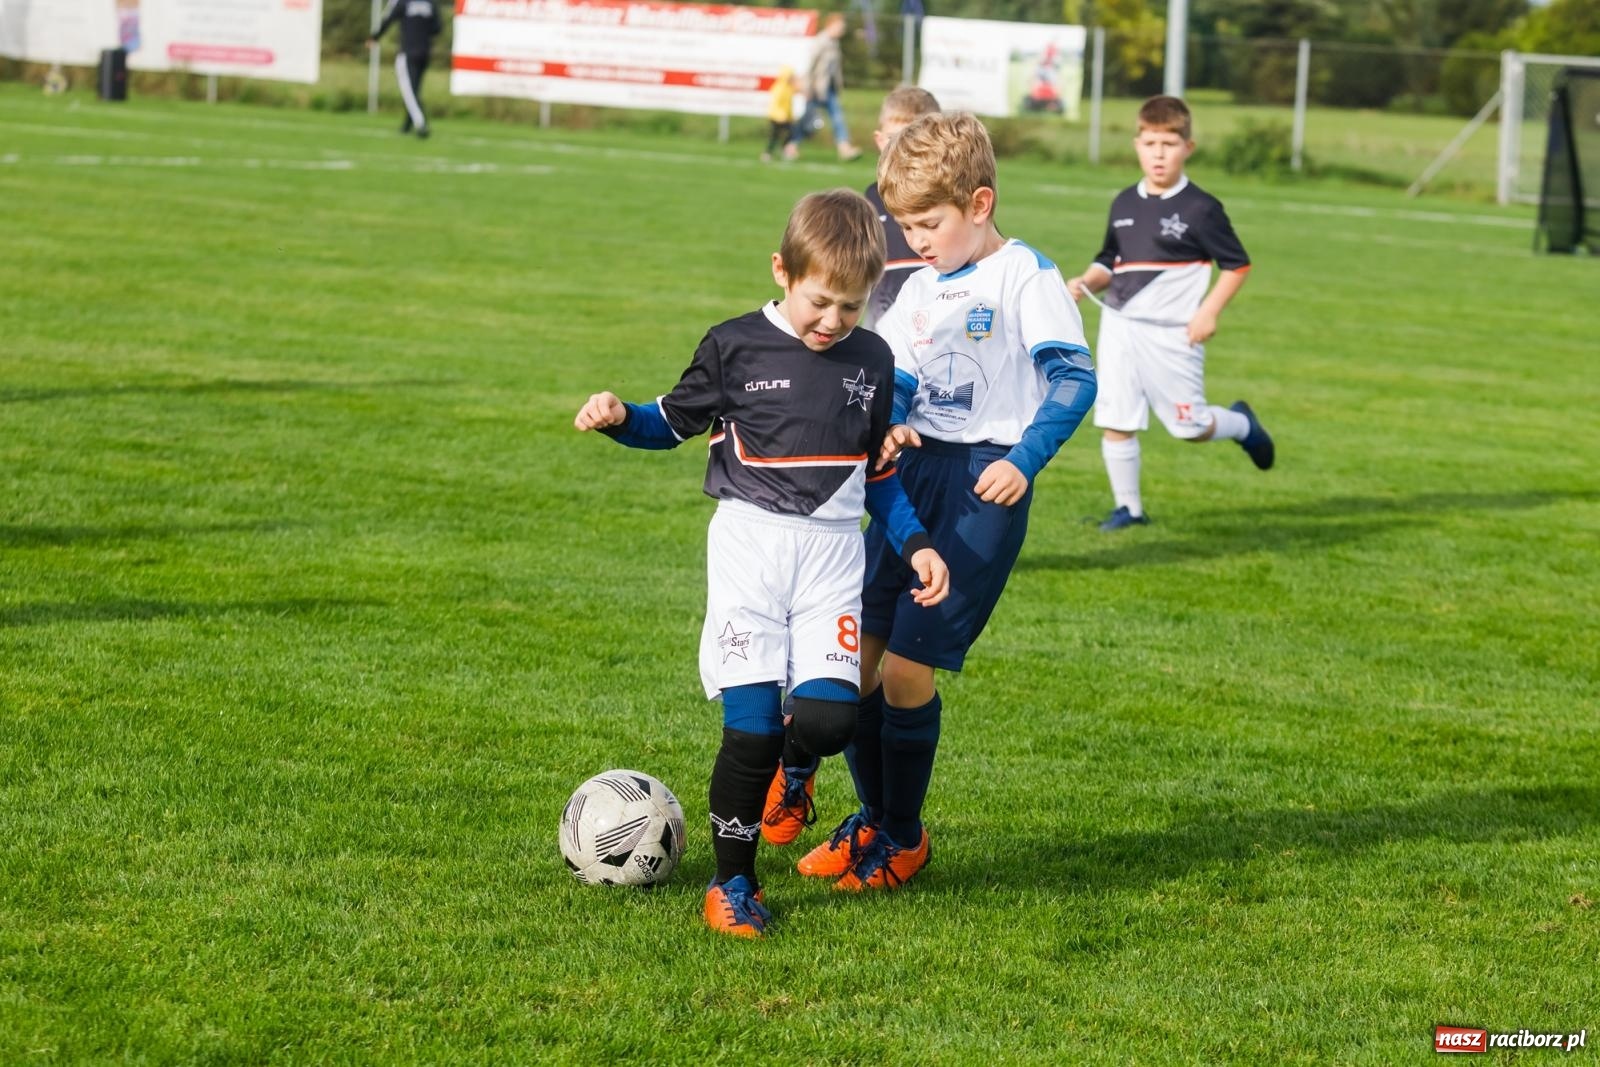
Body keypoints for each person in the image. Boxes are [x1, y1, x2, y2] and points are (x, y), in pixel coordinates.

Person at [574, 189, 950, 938]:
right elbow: (667, 423)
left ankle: (798, 769)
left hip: (833, 558)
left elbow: (877, 474)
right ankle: (732, 883)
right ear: (782, 271)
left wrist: (917, 544)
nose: (832, 321)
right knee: (749, 734)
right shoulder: (734, 345)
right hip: (750, 551)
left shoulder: (873, 360)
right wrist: (620, 420)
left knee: (830, 717)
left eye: (850, 306)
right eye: (819, 302)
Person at [781, 112, 1097, 893]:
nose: (914, 239)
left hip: (982, 484)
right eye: (906, 224)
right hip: (910, 481)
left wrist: (1024, 459)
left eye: (929, 223)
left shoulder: (1027, 276)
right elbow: (909, 379)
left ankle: (904, 836)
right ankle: (875, 819)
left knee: (908, 672)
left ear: (979, 203)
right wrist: (887, 427)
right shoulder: (919, 289)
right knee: (852, 662)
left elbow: (1073, 377)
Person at [1063, 95, 1274, 532]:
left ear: (1188, 148)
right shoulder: (1123, 203)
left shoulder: (1201, 208)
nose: (1158, 153)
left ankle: (1241, 424)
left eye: (1169, 143)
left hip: (1173, 334)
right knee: (1115, 418)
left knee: (1189, 426)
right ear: (1137, 144)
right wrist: (1085, 280)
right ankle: (1130, 510)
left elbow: (1237, 264)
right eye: (1150, 142)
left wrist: (1208, 312)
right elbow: (1110, 259)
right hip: (1119, 327)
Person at [861, 86, 941, 329]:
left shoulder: (951, 202)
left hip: (938, 329)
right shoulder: (870, 202)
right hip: (880, 333)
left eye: (916, 140)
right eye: (894, 139)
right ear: (879, 140)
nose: (904, 150)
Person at [784, 13, 862, 163]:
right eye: (840, 27)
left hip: (829, 90)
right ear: (831, 25)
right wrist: (807, 87)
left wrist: (838, 86)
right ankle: (791, 146)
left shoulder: (835, 43)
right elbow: (811, 66)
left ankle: (844, 149)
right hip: (815, 90)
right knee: (807, 122)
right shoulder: (821, 41)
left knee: (838, 118)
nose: (842, 30)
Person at [369, 0, 443, 139]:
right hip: (425, 53)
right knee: (415, 89)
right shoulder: (431, 4)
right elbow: (437, 28)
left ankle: (421, 123)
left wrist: (375, 37)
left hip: (408, 53)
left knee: (409, 92)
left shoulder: (403, 3)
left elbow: (389, 19)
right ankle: (406, 126)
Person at [761, 66, 801, 163]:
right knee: (775, 136)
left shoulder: (789, 89)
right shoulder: (779, 88)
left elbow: (789, 106)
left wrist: (791, 117)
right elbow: (775, 104)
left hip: (784, 118)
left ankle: (784, 151)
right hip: (776, 117)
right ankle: (768, 153)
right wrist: (781, 116)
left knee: (791, 133)